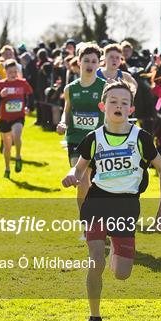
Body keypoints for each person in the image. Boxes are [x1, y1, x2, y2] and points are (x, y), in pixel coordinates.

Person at [62, 80, 161, 321]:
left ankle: (115, 255)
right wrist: (72, 176)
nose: (118, 106)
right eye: (113, 102)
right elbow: (79, 168)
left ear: (131, 109)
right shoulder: (94, 138)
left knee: (122, 274)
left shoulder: (141, 138)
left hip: (126, 206)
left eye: (124, 102)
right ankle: (94, 318)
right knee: (95, 261)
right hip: (97, 202)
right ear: (103, 106)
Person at [57, 44, 106, 210]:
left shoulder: (105, 87)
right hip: (76, 138)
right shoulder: (70, 88)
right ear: (79, 62)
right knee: (82, 179)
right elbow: (67, 110)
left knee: (94, 182)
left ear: (99, 64)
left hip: (98, 140)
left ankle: (95, 215)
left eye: (94, 61)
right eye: (86, 61)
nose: (90, 64)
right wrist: (63, 122)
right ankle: (86, 221)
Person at [0, 59, 33, 177]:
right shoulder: (0, 84)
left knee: (17, 134)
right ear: (5, 72)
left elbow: (30, 94)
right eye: (10, 72)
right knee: (7, 146)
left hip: (18, 116)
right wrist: (1, 96)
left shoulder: (22, 82)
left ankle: (18, 156)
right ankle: (7, 168)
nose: (13, 74)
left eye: (15, 72)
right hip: (5, 118)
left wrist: (29, 107)